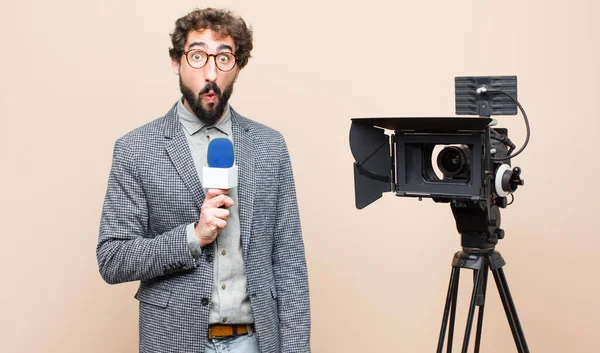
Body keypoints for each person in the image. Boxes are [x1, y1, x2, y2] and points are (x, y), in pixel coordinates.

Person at [97, 8, 311, 353]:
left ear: (237, 68)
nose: (210, 73)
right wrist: (192, 237)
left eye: (224, 58)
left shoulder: (270, 146)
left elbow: (289, 262)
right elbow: (113, 258)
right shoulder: (135, 149)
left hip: (254, 341)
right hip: (173, 341)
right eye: (197, 56)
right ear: (175, 62)